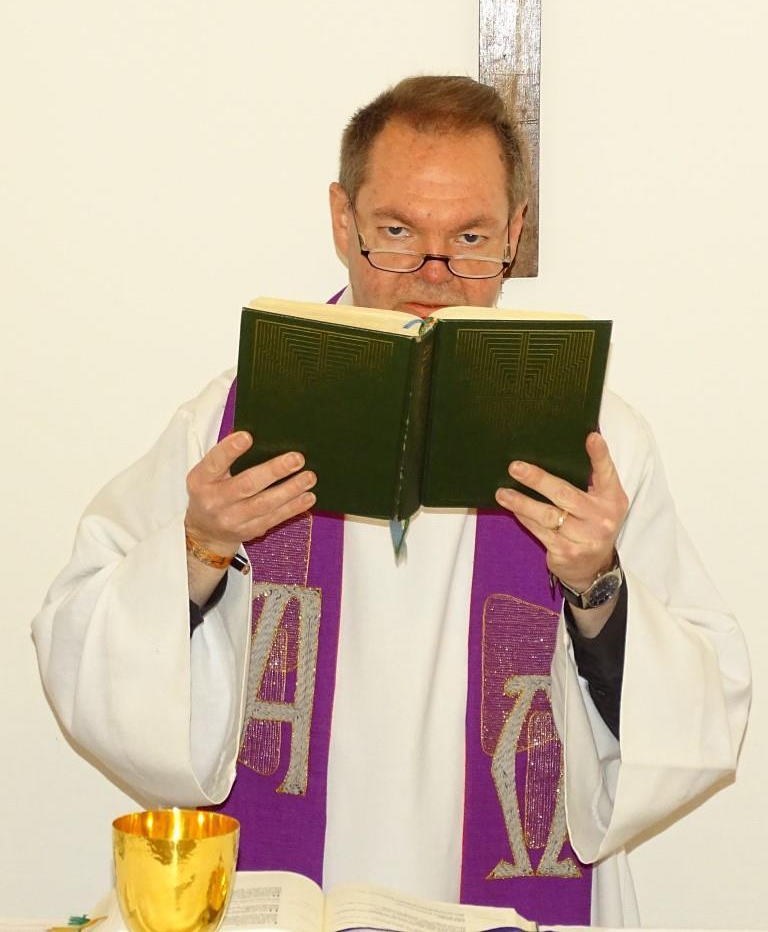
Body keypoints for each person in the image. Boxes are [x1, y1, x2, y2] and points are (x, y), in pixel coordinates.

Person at [33, 76, 750, 927]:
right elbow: (80, 639)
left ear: (515, 231)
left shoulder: (596, 442)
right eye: (399, 233)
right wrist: (198, 549)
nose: (433, 277)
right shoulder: (237, 419)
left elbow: (701, 708)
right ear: (344, 221)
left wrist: (597, 586)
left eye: (470, 238)